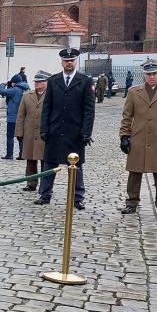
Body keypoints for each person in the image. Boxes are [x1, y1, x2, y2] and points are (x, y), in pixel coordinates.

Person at [36, 47, 95, 210]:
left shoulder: (85, 81)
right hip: (54, 130)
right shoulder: (54, 81)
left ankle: (78, 197)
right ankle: (45, 194)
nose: (69, 63)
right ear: (61, 62)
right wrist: (44, 128)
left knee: (76, 168)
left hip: (75, 132)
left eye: (72, 60)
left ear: (76, 61)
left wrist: (86, 132)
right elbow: (47, 107)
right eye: (66, 61)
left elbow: (89, 110)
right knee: (49, 164)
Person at [119, 60, 157, 216]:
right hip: (138, 138)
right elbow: (127, 116)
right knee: (134, 172)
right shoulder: (134, 92)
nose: (152, 77)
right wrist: (124, 136)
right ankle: (132, 202)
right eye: (149, 74)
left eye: (155, 74)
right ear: (144, 75)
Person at [15, 71, 49, 192]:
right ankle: (31, 183)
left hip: (45, 134)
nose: (36, 84)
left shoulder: (52, 95)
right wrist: (19, 133)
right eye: (36, 81)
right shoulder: (27, 95)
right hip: (29, 133)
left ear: (46, 83)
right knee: (30, 160)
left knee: (45, 161)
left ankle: (46, 185)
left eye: (40, 81)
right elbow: (20, 116)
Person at [0, 75, 29, 159]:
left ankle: (9, 155)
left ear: (14, 82)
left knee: (10, 136)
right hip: (23, 118)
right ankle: (22, 155)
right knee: (21, 136)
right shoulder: (27, 89)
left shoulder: (15, 90)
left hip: (13, 117)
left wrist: (2, 84)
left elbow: (2, 91)